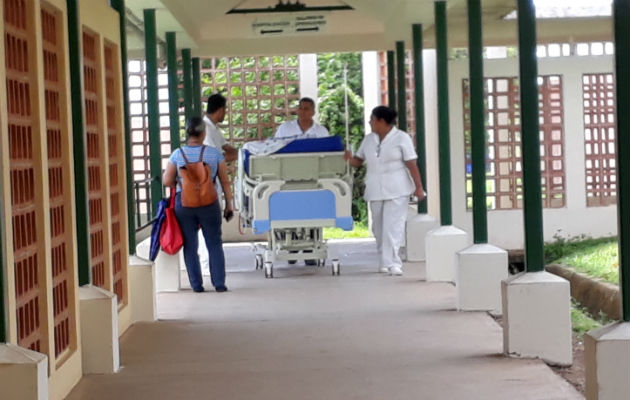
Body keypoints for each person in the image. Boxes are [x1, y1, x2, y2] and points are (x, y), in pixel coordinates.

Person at [344, 106, 425, 276]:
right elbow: (358, 161)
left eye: (372, 119)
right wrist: (348, 158)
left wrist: (419, 187)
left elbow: (412, 164)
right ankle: (384, 260)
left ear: (381, 121)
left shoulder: (402, 138)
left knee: (393, 227)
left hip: (398, 188)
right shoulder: (368, 140)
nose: (370, 123)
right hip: (375, 188)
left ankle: (394, 263)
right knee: (378, 228)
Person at [162, 116, 234, 292]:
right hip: (209, 203)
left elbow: (166, 180)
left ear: (187, 133)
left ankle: (196, 284)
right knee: (214, 243)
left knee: (190, 244)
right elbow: (225, 181)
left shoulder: (178, 154)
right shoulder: (214, 154)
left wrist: (179, 183)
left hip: (185, 205)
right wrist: (229, 205)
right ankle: (219, 283)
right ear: (203, 133)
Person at [204, 93, 238, 162]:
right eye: (225, 110)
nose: (225, 113)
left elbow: (225, 146)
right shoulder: (205, 128)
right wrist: (239, 156)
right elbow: (214, 158)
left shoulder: (213, 126)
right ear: (221, 110)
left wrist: (242, 153)